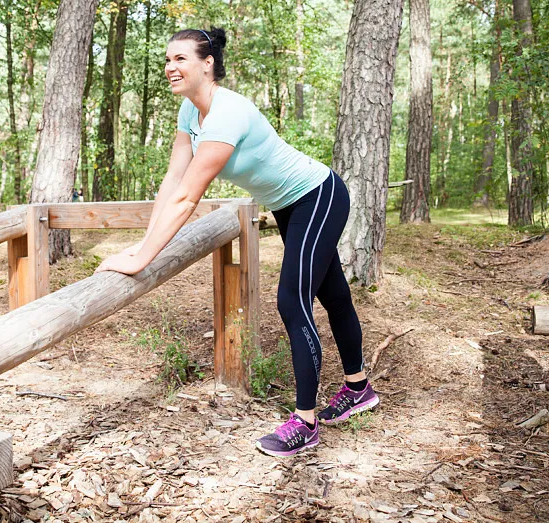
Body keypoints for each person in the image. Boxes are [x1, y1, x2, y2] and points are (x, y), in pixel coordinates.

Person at [96, 27, 379, 457]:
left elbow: (190, 197)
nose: (171, 68)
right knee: (333, 294)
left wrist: (143, 258)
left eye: (180, 59)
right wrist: (141, 247)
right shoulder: (190, 114)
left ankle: (305, 422)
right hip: (288, 205)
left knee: (292, 299)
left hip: (318, 194)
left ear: (207, 64)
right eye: (167, 60)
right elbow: (172, 182)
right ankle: (359, 389)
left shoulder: (228, 113)